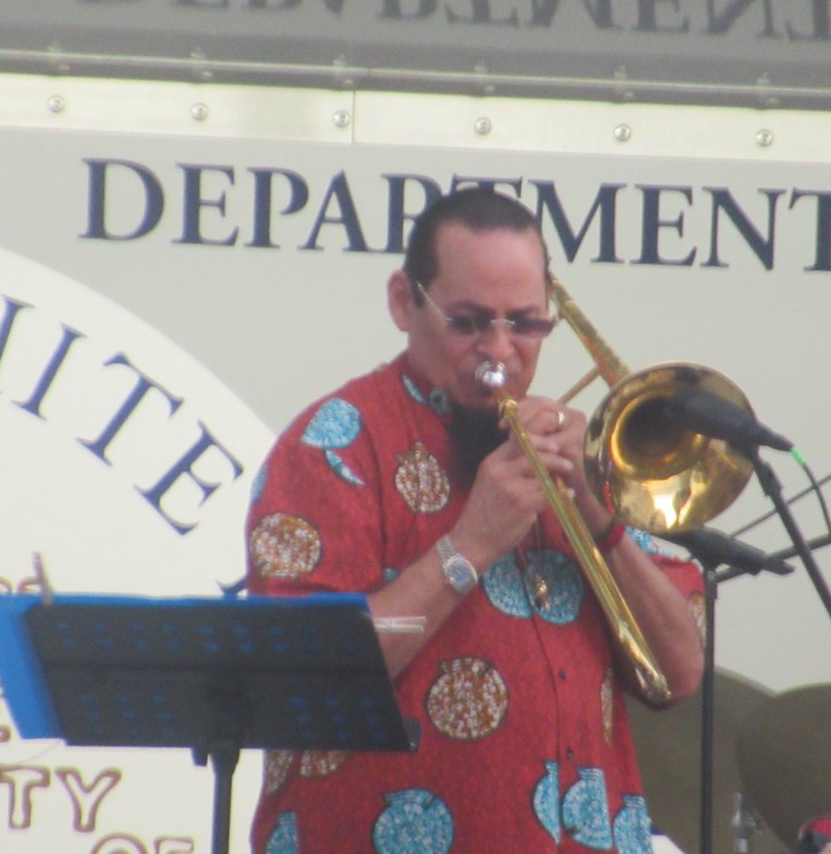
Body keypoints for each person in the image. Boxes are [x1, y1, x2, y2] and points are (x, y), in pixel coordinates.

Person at [244, 186, 705, 853]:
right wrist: (471, 545)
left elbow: (679, 673)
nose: (500, 350)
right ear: (404, 301)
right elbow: (302, 679)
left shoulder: (572, 454)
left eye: (525, 323)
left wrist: (600, 519)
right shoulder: (334, 443)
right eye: (468, 322)